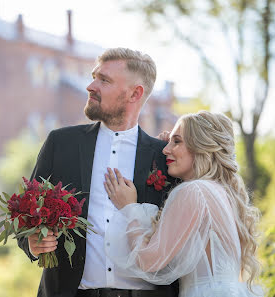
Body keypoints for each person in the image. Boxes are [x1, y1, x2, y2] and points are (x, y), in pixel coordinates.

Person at [18, 47, 179, 297]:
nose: (90, 86)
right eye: (94, 76)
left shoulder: (166, 158)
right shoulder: (60, 144)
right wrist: (32, 242)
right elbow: (25, 215)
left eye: (104, 80)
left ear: (135, 93)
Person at [103, 111, 263, 297]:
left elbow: (149, 261)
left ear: (200, 146)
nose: (165, 149)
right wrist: (172, 144)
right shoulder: (221, 191)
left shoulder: (193, 191)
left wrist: (129, 208)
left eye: (177, 141)